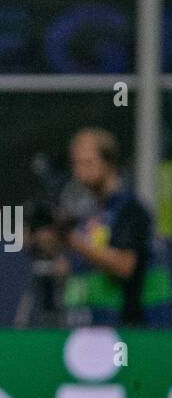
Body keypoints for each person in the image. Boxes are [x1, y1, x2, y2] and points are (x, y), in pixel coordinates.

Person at [65, 128, 155, 327]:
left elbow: (125, 265)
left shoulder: (130, 209)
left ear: (108, 162)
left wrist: (73, 240)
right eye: (76, 164)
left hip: (127, 331)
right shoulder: (89, 213)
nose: (79, 172)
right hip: (93, 328)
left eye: (87, 163)